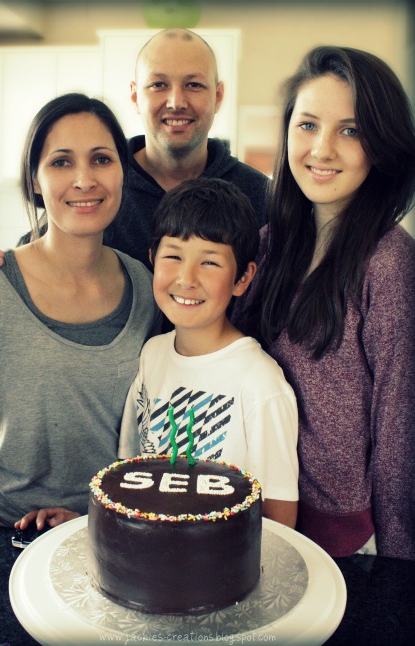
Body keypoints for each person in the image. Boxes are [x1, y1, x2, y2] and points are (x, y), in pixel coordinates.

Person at [232, 46, 415, 559]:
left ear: (381, 145)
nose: (322, 149)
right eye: (308, 125)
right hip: (253, 510)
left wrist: (397, 569)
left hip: (342, 534)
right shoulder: (267, 245)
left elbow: (398, 425)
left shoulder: (390, 262)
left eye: (350, 131)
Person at [0, 93, 161, 529]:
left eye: (101, 159)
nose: (84, 180)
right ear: (35, 180)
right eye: (61, 162)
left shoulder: (147, 287)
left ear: (122, 173)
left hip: (103, 530)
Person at [0, 27, 269, 279]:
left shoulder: (261, 195)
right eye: (159, 84)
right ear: (135, 97)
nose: (176, 101)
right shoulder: (99, 186)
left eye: (193, 84)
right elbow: (36, 257)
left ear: (218, 96)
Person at [118, 177, 299, 528]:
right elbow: (128, 467)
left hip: (223, 560)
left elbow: (279, 520)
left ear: (242, 278)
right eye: (173, 256)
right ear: (152, 258)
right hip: (148, 551)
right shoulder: (152, 354)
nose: (187, 278)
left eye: (210, 263)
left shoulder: (261, 383)